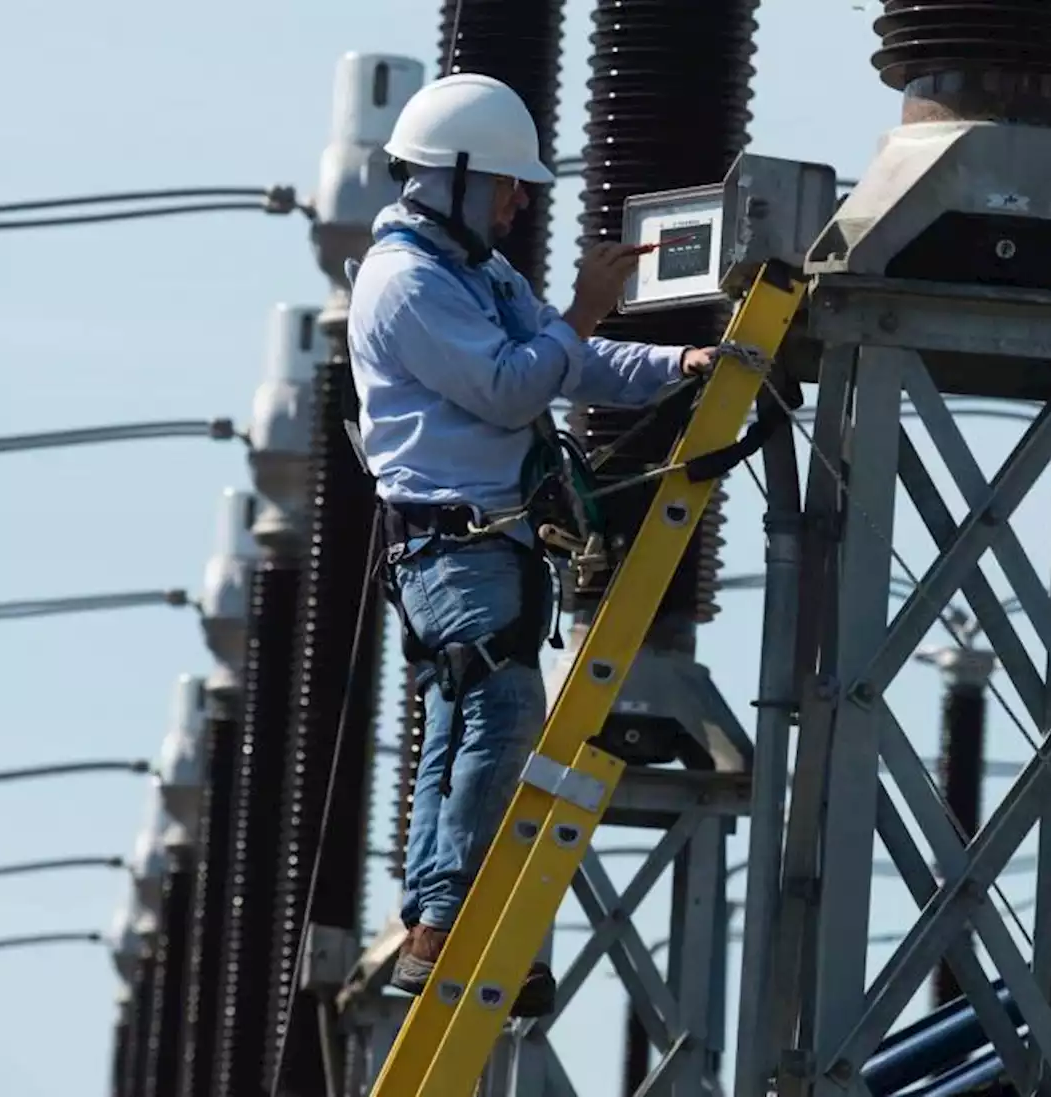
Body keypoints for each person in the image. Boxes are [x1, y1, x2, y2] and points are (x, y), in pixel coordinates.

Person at [345, 72, 717, 1017]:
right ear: (455, 177)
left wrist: (678, 365)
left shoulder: (476, 275)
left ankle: (446, 919)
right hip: (453, 546)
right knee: (503, 708)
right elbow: (518, 386)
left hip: (485, 546)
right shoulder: (406, 285)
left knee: (467, 719)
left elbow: (568, 360)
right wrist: (589, 304)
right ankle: (447, 921)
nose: (517, 203)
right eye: (508, 185)